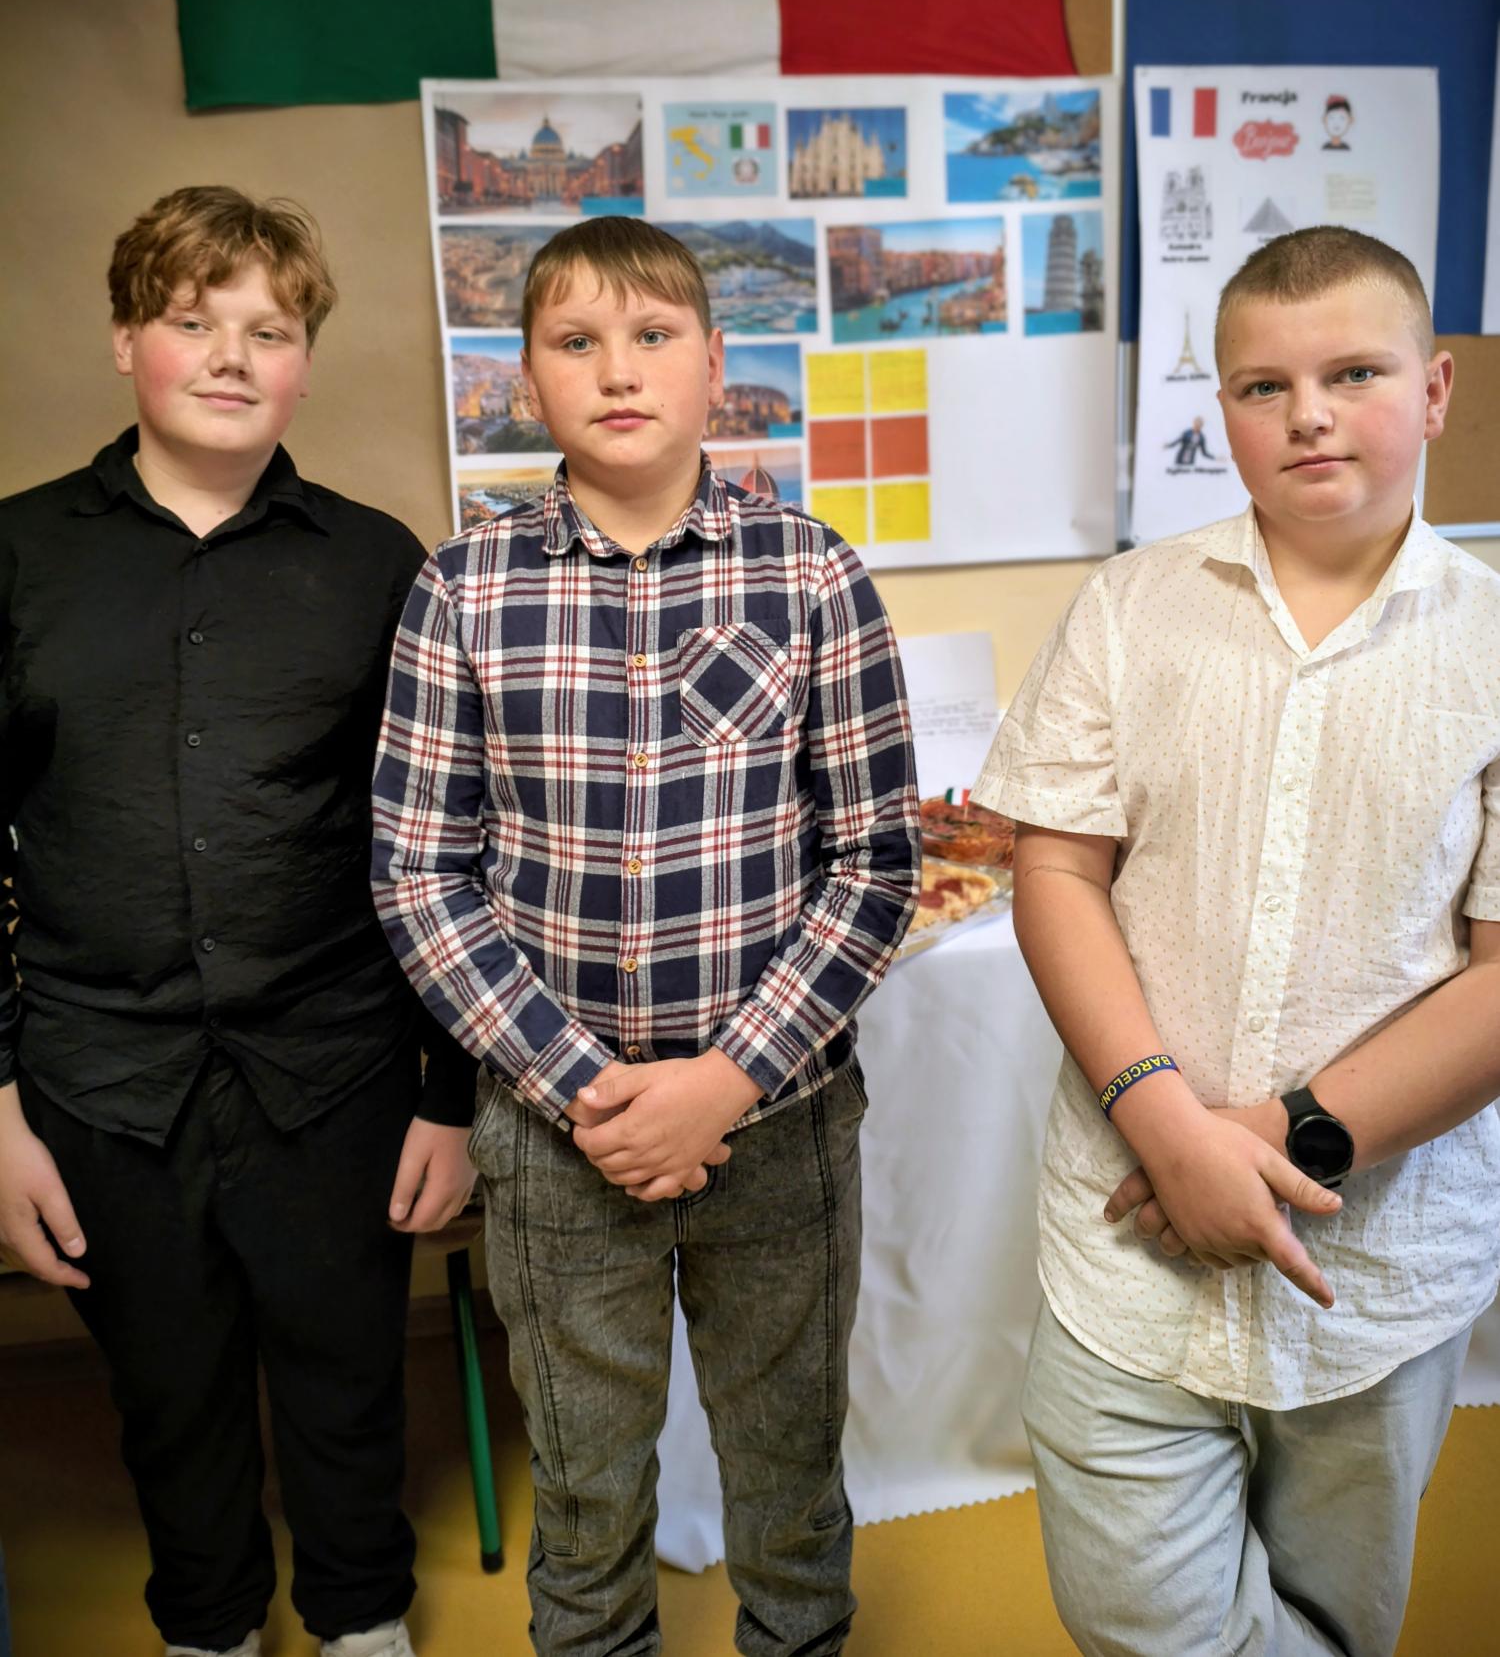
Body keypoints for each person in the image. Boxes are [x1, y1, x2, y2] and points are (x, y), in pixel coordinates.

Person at [371, 215, 920, 1657]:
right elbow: (421, 874)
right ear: (526, 381)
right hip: (561, 1144)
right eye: (577, 342)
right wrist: (590, 1092)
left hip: (778, 1126)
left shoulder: (812, 576)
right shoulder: (462, 588)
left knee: (789, 1471)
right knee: (585, 1480)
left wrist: (724, 1080)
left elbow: (874, 861)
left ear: (715, 365)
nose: (618, 370)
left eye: (653, 336)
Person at [977, 224, 1499, 1657]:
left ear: (1435, 390)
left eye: (1354, 373)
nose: (1308, 414)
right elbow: (1056, 870)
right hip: (1128, 1244)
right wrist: (1167, 1126)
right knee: (1142, 1618)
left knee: (1337, 1609)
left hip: (1374, 1262)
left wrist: (1274, 1140)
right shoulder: (1129, 608)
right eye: (1265, 387)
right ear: (1223, 413)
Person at [0, 187, 478, 1657]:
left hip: (334, 1068)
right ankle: (208, 1626)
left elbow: (440, 846)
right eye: (191, 322)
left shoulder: (379, 563)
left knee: (348, 1377)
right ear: (124, 340)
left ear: (305, 365)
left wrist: (448, 1096)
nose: (229, 356)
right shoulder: (18, 556)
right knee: (167, 1390)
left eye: (268, 331)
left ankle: (361, 1618)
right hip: (99, 1079)